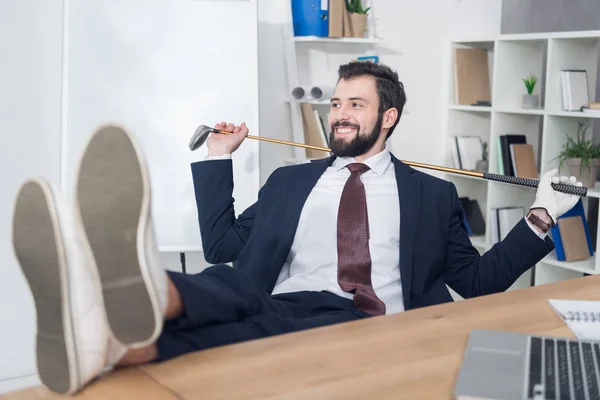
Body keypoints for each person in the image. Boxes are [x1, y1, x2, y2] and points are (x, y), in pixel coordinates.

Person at [12, 61, 581, 395]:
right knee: (241, 293)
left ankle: (117, 311)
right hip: (287, 309)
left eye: (355, 104)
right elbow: (223, 244)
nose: (339, 114)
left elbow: (478, 283)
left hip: (379, 325)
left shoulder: (432, 195)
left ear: (388, 117)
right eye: (336, 103)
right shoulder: (290, 181)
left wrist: (542, 216)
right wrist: (216, 156)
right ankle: (116, 324)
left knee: (248, 308)